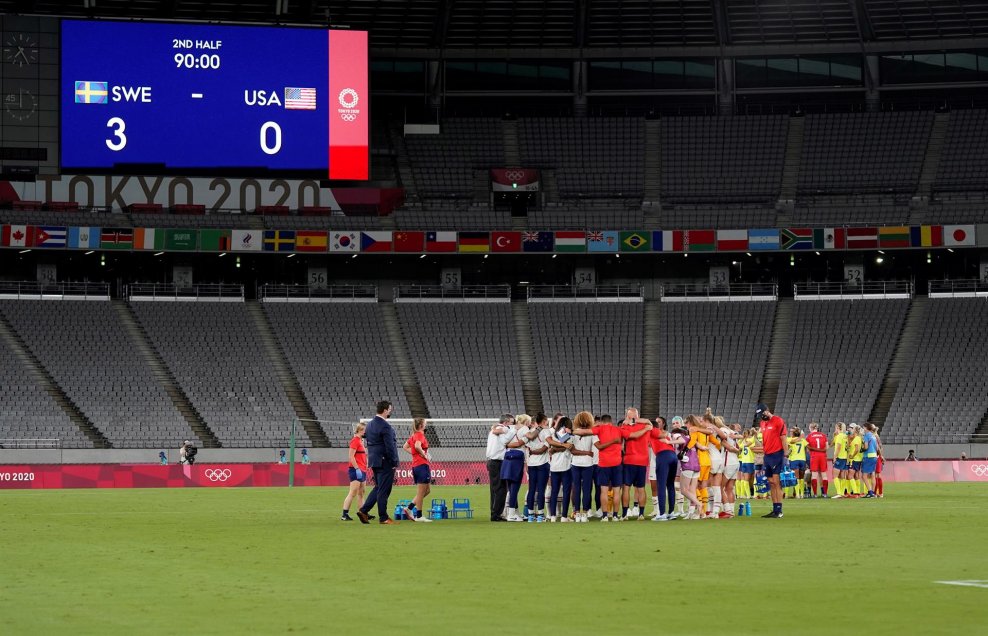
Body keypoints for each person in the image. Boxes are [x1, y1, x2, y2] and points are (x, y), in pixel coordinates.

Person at [573, 413, 623, 521]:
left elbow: (582, 432)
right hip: (615, 463)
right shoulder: (618, 430)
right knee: (616, 491)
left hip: (601, 463)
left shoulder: (598, 430)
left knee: (600, 490)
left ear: (602, 421)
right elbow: (631, 436)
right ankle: (614, 515)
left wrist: (571, 431)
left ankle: (602, 514)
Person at [357, 400, 400, 525]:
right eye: (390, 409)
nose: (391, 411)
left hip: (374, 460)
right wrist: (393, 462)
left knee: (378, 488)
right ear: (385, 410)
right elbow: (390, 446)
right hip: (385, 461)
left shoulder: (369, 425)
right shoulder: (386, 426)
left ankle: (364, 510)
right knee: (384, 490)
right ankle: (384, 517)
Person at [620, 408, 654, 520]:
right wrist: (645, 428)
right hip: (642, 461)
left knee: (626, 487)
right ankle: (641, 514)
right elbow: (647, 423)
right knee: (640, 488)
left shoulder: (624, 426)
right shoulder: (646, 426)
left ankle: (625, 514)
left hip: (629, 460)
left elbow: (630, 436)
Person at [755, 403, 787, 518]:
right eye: (759, 414)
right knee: (771, 483)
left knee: (776, 482)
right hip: (767, 455)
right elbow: (765, 440)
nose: (761, 416)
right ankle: (774, 509)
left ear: (767, 410)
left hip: (777, 454)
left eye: (762, 413)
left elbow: (783, 437)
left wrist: (786, 452)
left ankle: (779, 510)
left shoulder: (778, 421)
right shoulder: (762, 423)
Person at [521, 413, 552, 522]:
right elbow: (544, 448)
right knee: (541, 490)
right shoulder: (546, 431)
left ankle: (530, 515)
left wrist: (532, 452)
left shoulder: (529, 432)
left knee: (532, 489)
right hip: (542, 464)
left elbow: (525, 445)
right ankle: (540, 515)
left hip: (531, 464)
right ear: (544, 421)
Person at [402, 418, 433, 522]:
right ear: (421, 425)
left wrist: (416, 453)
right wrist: (424, 455)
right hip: (421, 465)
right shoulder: (419, 435)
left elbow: (405, 447)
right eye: (425, 423)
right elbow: (417, 446)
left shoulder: (413, 436)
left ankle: (409, 508)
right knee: (421, 492)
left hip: (417, 465)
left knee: (427, 491)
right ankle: (419, 516)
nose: (426, 425)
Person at [486, 413, 515, 522]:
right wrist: (512, 430)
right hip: (497, 462)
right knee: (500, 488)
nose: (513, 425)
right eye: (512, 423)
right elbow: (504, 441)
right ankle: (496, 514)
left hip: (492, 461)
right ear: (506, 422)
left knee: (495, 489)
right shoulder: (502, 429)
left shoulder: (495, 429)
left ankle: (495, 512)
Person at [500, 414, 529, 522]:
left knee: (511, 488)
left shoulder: (511, 428)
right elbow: (523, 442)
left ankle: (515, 513)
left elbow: (497, 430)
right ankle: (511, 514)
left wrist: (508, 445)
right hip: (517, 459)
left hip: (507, 458)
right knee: (515, 489)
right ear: (526, 422)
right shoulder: (525, 428)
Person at [569, 411, 597, 523]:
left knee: (576, 488)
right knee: (586, 489)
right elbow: (596, 447)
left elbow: (572, 450)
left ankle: (576, 512)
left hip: (575, 463)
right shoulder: (593, 433)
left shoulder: (572, 433)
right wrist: (587, 452)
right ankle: (585, 513)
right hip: (588, 463)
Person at [546, 416, 574, 522]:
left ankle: (553, 516)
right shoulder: (569, 435)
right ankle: (564, 516)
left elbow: (552, 449)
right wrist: (565, 446)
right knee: (566, 491)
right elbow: (570, 446)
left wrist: (554, 449)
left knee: (554, 491)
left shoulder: (553, 434)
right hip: (566, 466)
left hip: (554, 466)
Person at [650, 417, 678, 521]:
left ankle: (661, 514)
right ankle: (671, 512)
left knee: (661, 485)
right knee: (670, 485)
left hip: (663, 456)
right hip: (673, 456)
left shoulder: (652, 431)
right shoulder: (665, 433)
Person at [342, 422, 368, 521]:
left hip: (362, 469)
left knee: (361, 492)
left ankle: (363, 512)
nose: (366, 432)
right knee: (353, 492)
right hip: (356, 469)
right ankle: (344, 514)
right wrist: (357, 468)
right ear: (361, 430)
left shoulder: (361, 441)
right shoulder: (355, 441)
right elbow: (351, 456)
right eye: (365, 430)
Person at [806, 422, 829, 498]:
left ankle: (815, 494)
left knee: (814, 475)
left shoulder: (809, 436)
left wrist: (814, 451)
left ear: (811, 428)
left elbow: (808, 449)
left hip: (814, 456)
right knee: (824, 475)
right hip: (823, 456)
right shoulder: (823, 435)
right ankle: (825, 494)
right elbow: (827, 447)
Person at [786, 428, 808, 499]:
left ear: (793, 433)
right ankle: (802, 494)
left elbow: (788, 450)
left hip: (794, 460)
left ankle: (798, 494)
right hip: (802, 459)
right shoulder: (803, 440)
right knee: (801, 478)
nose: (790, 433)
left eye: (791, 432)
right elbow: (806, 450)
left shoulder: (789, 439)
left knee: (796, 477)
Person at [861, 423, 881, 498]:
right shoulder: (873, 435)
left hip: (868, 456)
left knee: (864, 475)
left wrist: (862, 449)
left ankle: (870, 492)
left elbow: (865, 447)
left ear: (866, 428)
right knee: (872, 474)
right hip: (874, 456)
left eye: (863, 428)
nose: (863, 429)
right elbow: (877, 448)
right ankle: (873, 492)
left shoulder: (866, 436)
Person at [831, 422, 849, 498]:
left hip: (840, 457)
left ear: (838, 428)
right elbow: (848, 448)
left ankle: (839, 493)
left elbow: (838, 447)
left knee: (835, 475)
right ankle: (841, 493)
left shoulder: (839, 436)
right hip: (845, 457)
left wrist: (835, 457)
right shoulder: (846, 436)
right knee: (842, 476)